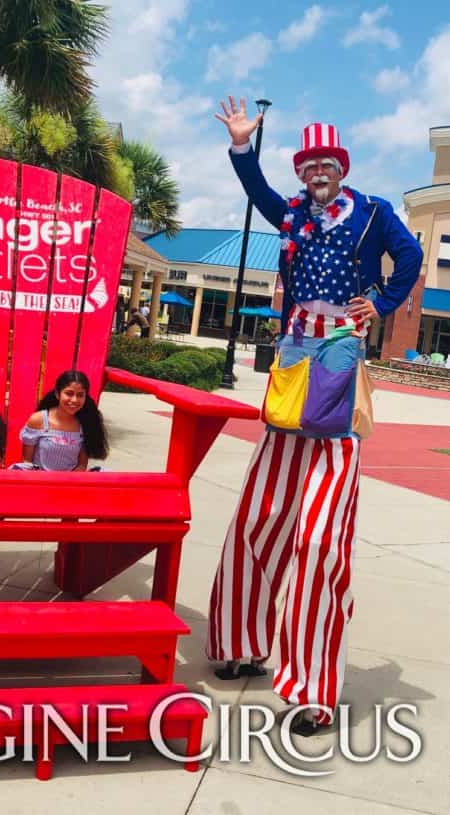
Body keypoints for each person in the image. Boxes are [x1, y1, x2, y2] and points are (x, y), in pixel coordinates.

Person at [207, 98, 423, 736]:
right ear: (301, 173)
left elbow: (410, 259)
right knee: (262, 515)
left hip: (340, 363)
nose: (316, 173)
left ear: (342, 166)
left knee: (320, 539)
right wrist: (244, 146)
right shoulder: (293, 213)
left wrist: (379, 304)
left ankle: (311, 687)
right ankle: (240, 641)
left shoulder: (375, 213)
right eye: (308, 165)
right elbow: (256, 189)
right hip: (293, 360)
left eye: (326, 163)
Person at [13, 370, 108, 471]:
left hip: (69, 482)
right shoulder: (39, 420)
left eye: (80, 395)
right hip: (39, 480)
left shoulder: (85, 423)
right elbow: (27, 462)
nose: (74, 400)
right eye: (69, 393)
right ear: (57, 394)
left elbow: (81, 466)